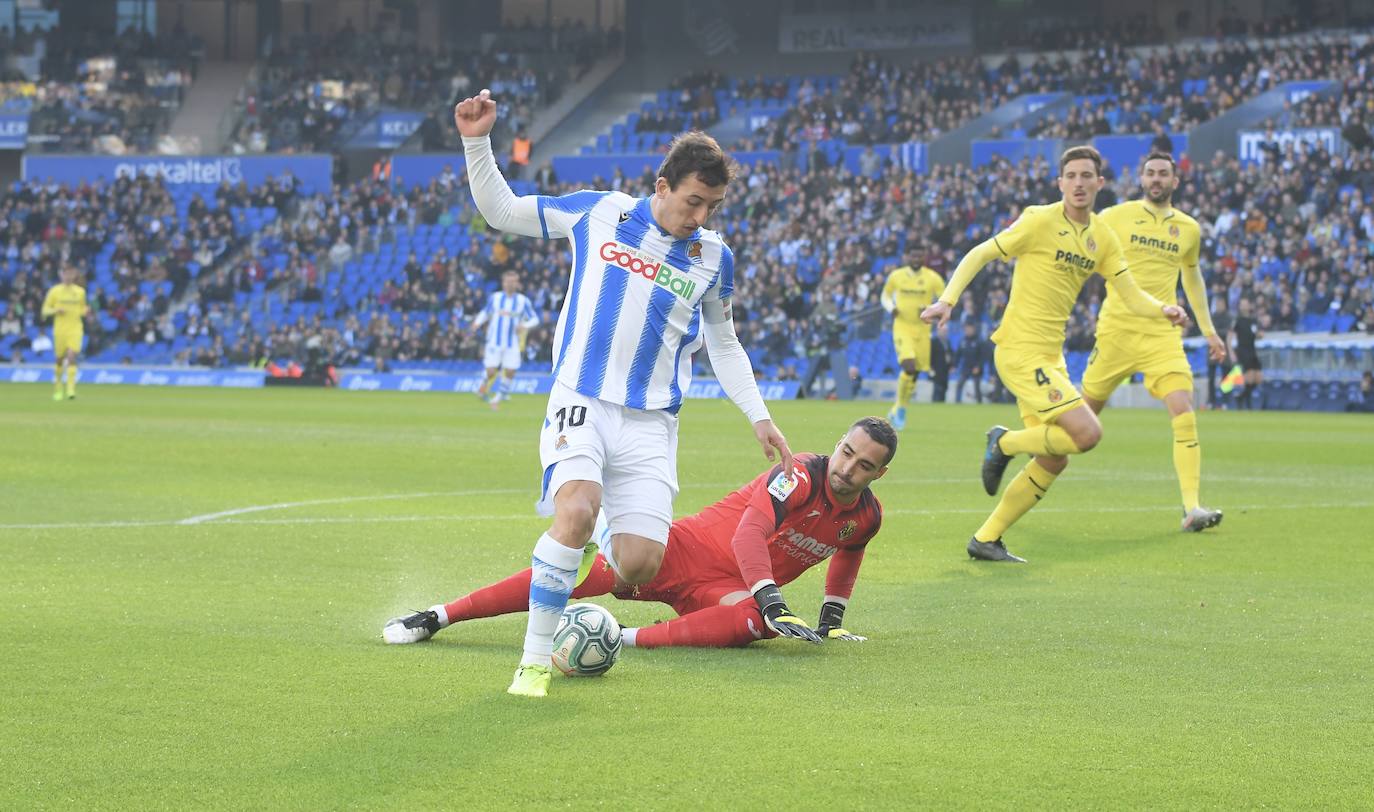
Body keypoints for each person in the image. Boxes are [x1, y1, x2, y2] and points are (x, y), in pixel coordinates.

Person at [452, 89, 792, 697]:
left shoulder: (714, 258)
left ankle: (598, 513)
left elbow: (725, 342)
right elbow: (502, 211)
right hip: (581, 396)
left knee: (638, 565)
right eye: (693, 201)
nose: (701, 217)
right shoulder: (600, 212)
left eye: (712, 206)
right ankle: (533, 663)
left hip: (652, 423)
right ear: (661, 186)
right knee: (575, 513)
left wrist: (759, 417)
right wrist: (477, 141)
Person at [385, 418, 892, 649]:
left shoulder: (866, 516)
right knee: (578, 577)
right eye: (847, 452)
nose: (848, 469)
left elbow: (849, 551)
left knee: (752, 626)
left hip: (720, 588)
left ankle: (620, 639)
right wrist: (775, 599)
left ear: (877, 475)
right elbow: (748, 535)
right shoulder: (798, 472)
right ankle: (440, 615)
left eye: (863, 465)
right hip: (679, 551)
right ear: (838, 444)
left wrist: (831, 618)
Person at [921, 145, 1190, 563]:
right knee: (1089, 434)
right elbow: (982, 252)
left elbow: (1130, 293)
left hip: (1051, 358)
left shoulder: (1102, 236)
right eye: (1072, 176)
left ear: (1100, 184)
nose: (1079, 184)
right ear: (1060, 182)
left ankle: (986, 539)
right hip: (1019, 351)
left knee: (1054, 459)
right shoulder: (1039, 220)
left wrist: (1164, 309)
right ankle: (1004, 442)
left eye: (1087, 176)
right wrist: (948, 300)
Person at [1082, 152, 1228, 532]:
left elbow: (1192, 279)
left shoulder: (1189, 228)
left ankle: (1192, 507)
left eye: (1164, 173)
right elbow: (1082, 242)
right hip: (1116, 330)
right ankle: (1013, 444)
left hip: (1163, 333)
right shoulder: (1116, 216)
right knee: (1079, 426)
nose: (1157, 179)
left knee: (1184, 410)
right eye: (1151, 173)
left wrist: (1208, 330)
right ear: (1142, 179)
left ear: (1175, 182)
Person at [880, 248, 945, 429]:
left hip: (923, 330)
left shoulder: (932, 277)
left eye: (919, 255)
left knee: (915, 373)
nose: (916, 258)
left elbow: (944, 299)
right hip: (902, 327)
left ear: (924, 257)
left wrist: (928, 308)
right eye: (913, 255)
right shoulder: (897, 276)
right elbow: (885, 295)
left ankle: (898, 408)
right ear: (907, 256)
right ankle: (900, 408)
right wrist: (890, 307)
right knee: (908, 366)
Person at [472, 269, 539, 408]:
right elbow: (485, 312)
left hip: (512, 342)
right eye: (507, 281)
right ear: (503, 283)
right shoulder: (495, 298)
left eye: (513, 281)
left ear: (517, 283)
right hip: (494, 341)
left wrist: (525, 325)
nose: (510, 284)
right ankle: (483, 385)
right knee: (491, 371)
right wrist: (477, 323)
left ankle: (497, 399)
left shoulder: (522, 301)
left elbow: (535, 319)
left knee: (510, 371)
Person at [41, 264, 89, 401]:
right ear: (61, 275)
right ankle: (57, 387)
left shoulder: (80, 292)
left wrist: (85, 311)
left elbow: (81, 309)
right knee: (59, 359)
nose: (68, 276)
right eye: (65, 274)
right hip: (60, 330)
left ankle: (70, 389)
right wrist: (55, 311)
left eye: (70, 274)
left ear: (74, 275)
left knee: (72, 356)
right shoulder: (54, 291)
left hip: (75, 329)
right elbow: (44, 310)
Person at [1231, 298, 1264, 410]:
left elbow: (1257, 334)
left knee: (1258, 378)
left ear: (1249, 306)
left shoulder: (1253, 320)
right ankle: (1247, 404)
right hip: (1243, 351)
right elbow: (1230, 335)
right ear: (1240, 307)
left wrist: (1260, 335)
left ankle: (1241, 397)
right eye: (1242, 304)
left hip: (1252, 350)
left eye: (1246, 304)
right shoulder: (1238, 320)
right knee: (1249, 378)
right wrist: (1231, 351)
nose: (1244, 306)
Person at [953, 321, 988, 404]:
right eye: (966, 329)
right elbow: (958, 355)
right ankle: (957, 402)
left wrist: (978, 367)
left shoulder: (979, 341)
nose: (967, 330)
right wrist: (954, 365)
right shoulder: (963, 341)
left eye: (969, 329)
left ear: (973, 329)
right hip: (966, 367)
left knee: (977, 386)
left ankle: (979, 402)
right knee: (960, 384)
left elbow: (983, 356)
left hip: (976, 367)